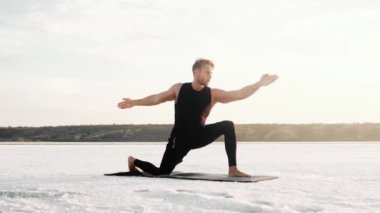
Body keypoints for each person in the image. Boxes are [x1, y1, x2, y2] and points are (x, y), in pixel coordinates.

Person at [117, 58, 278, 177]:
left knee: (227, 125)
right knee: (162, 172)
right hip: (179, 140)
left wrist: (259, 84)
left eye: (211, 73)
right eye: (207, 72)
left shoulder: (213, 94)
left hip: (199, 136)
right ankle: (134, 161)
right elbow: (156, 98)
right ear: (196, 72)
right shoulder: (179, 89)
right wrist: (134, 102)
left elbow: (239, 94)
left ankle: (233, 168)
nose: (210, 76)